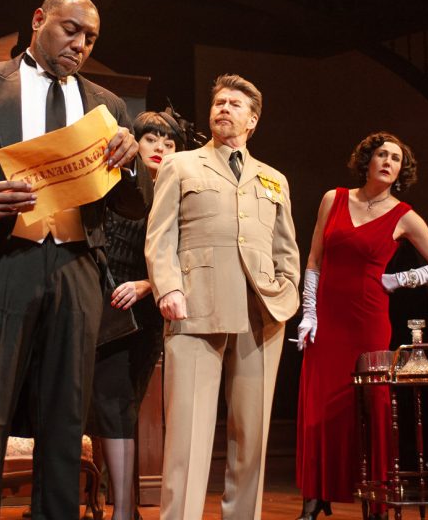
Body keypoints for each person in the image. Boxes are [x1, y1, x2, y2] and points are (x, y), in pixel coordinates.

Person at [0, 0, 140, 520]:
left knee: (65, 417)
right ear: (39, 20)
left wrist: (131, 166)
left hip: (77, 266)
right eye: (69, 29)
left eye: (90, 37)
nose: (79, 44)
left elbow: (130, 204)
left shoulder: (109, 106)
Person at [146, 74, 301, 520]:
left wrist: (287, 297)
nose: (224, 108)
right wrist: (169, 286)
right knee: (188, 437)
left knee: (251, 436)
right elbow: (160, 237)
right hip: (195, 307)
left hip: (262, 313)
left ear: (252, 119)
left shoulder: (273, 179)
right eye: (219, 102)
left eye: (235, 103)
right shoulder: (181, 165)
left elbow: (285, 248)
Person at [293, 132, 428, 520]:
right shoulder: (334, 199)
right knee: (319, 404)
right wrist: (308, 312)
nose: (388, 162)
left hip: (368, 318)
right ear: (367, 160)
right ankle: (315, 497)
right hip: (327, 317)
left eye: (396, 159)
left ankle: (376, 501)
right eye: (382, 154)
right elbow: (314, 259)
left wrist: (400, 280)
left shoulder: (404, 215)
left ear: (401, 171)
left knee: (371, 405)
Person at [87, 111, 184, 520]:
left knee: (123, 405)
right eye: (151, 140)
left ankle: (121, 507)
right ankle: (114, 506)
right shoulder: (110, 185)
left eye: (169, 143)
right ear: (135, 144)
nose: (160, 148)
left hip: (145, 313)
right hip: (101, 307)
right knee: (104, 405)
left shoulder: (177, 193)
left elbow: (184, 257)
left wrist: (147, 285)